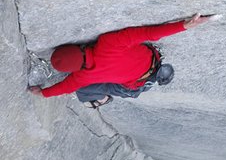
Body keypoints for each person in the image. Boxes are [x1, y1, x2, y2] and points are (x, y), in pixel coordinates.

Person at [29, 13, 214, 108]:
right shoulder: (109, 42)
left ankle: (100, 100)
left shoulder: (82, 77)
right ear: (79, 46)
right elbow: (151, 33)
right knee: (89, 86)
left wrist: (42, 93)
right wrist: (184, 25)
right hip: (152, 62)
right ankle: (154, 77)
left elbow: (65, 87)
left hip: (131, 86)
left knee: (83, 91)